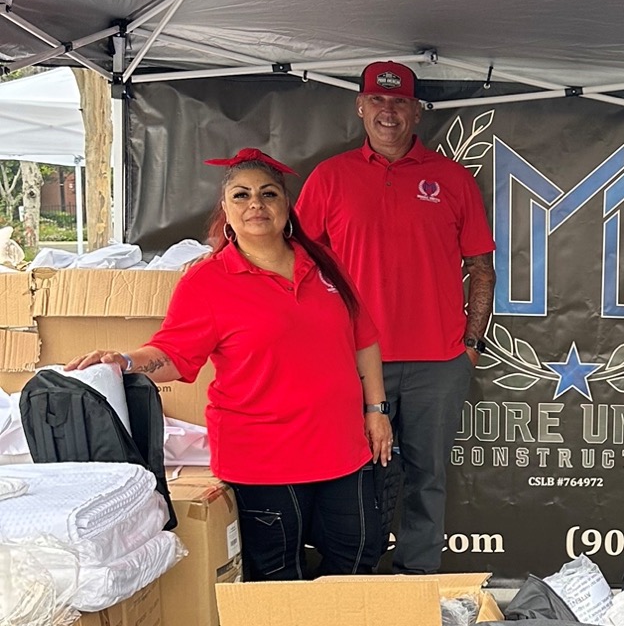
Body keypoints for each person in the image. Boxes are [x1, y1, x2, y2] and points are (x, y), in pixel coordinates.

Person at [69, 149, 393, 581]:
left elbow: (364, 339)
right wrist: (125, 361)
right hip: (265, 461)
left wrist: (376, 410)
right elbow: (172, 353)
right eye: (241, 195)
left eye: (268, 193)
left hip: (343, 452)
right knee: (278, 580)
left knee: (358, 561)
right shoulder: (207, 282)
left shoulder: (324, 266)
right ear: (226, 209)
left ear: (286, 204)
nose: (255, 204)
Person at [298, 61, 496, 573]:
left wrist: (469, 345)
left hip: (438, 361)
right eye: (379, 102)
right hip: (356, 361)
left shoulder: (452, 179)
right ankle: (357, 575)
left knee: (427, 478)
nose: (389, 112)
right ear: (361, 107)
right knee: (355, 473)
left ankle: (416, 580)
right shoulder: (330, 177)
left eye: (400, 102)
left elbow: (480, 266)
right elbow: (300, 267)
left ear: (417, 112)